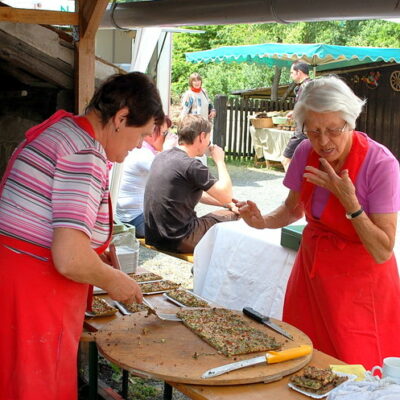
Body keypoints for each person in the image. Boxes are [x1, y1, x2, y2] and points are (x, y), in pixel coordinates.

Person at [0, 72, 164, 400]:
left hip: (17, 280)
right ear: (121, 118)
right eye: (141, 134)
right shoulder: (85, 155)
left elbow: (50, 222)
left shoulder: (63, 130)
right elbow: (70, 258)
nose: (139, 145)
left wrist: (96, 255)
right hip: (36, 292)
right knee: (37, 389)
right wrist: (115, 280)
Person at [237, 75, 400, 370]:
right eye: (313, 131)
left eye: (333, 130)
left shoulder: (381, 165)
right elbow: (291, 210)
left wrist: (350, 202)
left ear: (350, 122)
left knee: (356, 369)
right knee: (304, 361)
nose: (323, 141)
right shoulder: (304, 153)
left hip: (361, 288)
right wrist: (261, 221)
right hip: (312, 279)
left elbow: (382, 250)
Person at [144, 114, 238, 253]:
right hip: (179, 238)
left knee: (226, 212)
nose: (208, 143)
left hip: (155, 236)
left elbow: (187, 195)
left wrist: (228, 204)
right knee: (238, 217)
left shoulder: (162, 156)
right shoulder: (192, 165)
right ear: (202, 136)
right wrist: (220, 161)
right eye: (208, 138)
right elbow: (227, 195)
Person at [116, 116, 172, 237]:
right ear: (151, 133)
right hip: (134, 220)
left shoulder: (138, 149)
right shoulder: (143, 154)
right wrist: (168, 151)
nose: (166, 137)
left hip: (122, 216)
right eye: (164, 133)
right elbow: (171, 176)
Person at [281, 61, 312, 171]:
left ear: (299, 72)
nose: (291, 75)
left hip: (303, 131)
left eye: (291, 72)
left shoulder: (306, 86)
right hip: (309, 131)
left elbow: (308, 107)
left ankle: (292, 187)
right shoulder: (309, 86)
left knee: (286, 160)